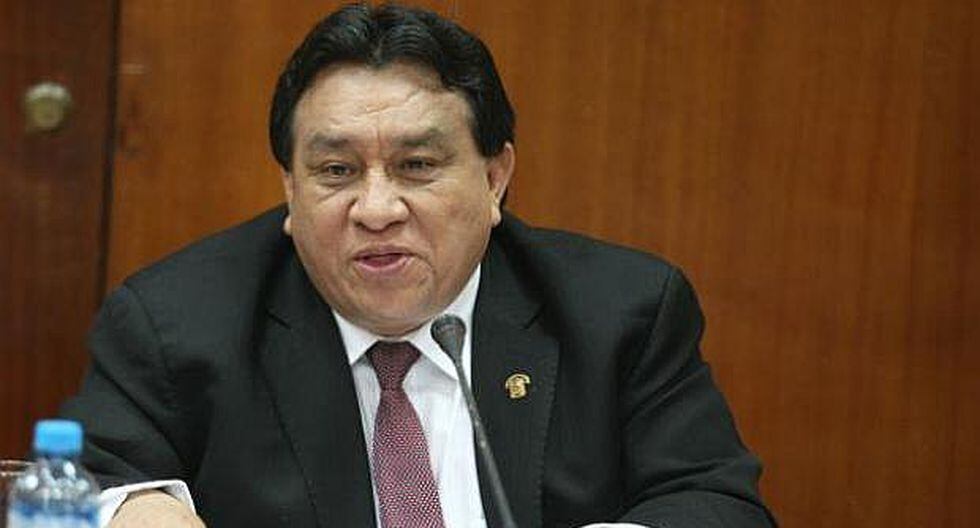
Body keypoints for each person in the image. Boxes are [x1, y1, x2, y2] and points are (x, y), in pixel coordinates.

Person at [62, 4, 775, 527]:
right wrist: (129, 508)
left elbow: (716, 503)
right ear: (289, 189)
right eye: (337, 171)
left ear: (494, 179)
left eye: (418, 166)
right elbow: (82, 482)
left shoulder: (619, 312)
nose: (376, 209)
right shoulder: (178, 324)